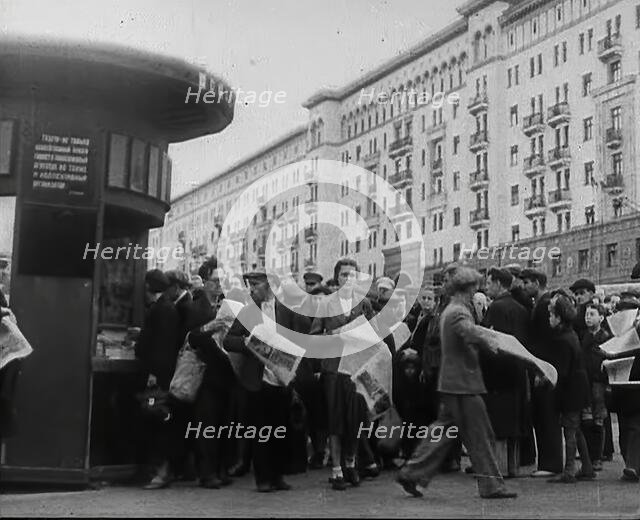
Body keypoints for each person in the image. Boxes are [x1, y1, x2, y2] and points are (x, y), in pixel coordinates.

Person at [397, 267, 517, 499]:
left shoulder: (451, 309)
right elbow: (468, 332)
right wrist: (489, 339)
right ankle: (492, 486)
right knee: (481, 435)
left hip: (453, 382)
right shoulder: (459, 312)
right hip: (464, 384)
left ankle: (412, 473)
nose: (476, 291)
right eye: (474, 287)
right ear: (468, 288)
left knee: (443, 431)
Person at [223, 269, 293, 493]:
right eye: (251, 286)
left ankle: (278, 476)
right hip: (257, 380)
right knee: (261, 432)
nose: (252, 290)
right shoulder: (248, 312)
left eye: (257, 285)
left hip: (281, 378)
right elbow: (229, 341)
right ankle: (263, 479)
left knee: (281, 429)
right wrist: (250, 343)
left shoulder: (285, 311)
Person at [309, 258, 375, 490]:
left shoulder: (364, 303)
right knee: (335, 420)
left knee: (355, 418)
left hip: (356, 369)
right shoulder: (327, 304)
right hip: (334, 369)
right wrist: (335, 334)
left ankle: (351, 463)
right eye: (344, 275)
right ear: (337, 278)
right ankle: (337, 470)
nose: (348, 279)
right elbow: (314, 337)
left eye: (352, 275)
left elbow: (374, 333)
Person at [184, 265, 236, 489]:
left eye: (222, 281)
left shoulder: (227, 307)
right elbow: (190, 339)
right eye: (215, 281)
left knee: (224, 423)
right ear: (204, 282)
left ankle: (221, 469)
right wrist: (211, 327)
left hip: (227, 374)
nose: (219, 285)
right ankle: (206, 472)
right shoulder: (195, 308)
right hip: (205, 373)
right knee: (207, 425)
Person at [481, 267, 531, 477]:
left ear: (499, 284)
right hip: (517, 371)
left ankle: (499, 468)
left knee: (499, 424)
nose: (487, 286)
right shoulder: (520, 308)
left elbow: (492, 342)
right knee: (514, 423)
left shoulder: (497, 308)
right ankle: (513, 466)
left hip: (498, 374)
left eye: (489, 282)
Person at [135, 269, 181, 490]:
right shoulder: (166, 308)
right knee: (157, 420)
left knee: (157, 419)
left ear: (148, 287)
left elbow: (160, 346)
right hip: (161, 375)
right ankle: (160, 470)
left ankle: (161, 471)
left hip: (158, 379)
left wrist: (153, 373)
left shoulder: (161, 310)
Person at [546, 293, 595, 483]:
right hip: (578, 389)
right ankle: (587, 467)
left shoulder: (562, 339)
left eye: (551, 315)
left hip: (570, 391)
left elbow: (562, 371)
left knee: (570, 430)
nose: (549, 318)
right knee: (576, 429)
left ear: (559, 317)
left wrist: (547, 379)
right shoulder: (570, 334)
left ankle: (569, 471)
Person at [520, 268, 563, 477]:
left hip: (544, 369)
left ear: (537, 282)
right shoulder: (540, 303)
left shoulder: (545, 304)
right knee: (544, 415)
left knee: (546, 416)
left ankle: (550, 464)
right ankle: (548, 462)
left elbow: (546, 341)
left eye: (527, 282)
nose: (525, 286)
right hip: (543, 367)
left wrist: (541, 370)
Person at [580, 303, 611, 472]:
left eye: (592, 314)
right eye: (586, 314)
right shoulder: (583, 337)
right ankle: (589, 456)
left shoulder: (605, 337)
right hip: (585, 383)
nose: (588, 317)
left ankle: (597, 457)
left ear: (601, 317)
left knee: (598, 420)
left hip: (599, 383)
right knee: (586, 420)